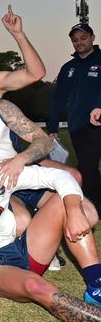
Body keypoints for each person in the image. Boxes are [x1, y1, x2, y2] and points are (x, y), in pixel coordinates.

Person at [0, 123, 101, 320]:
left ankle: (96, 285)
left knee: (63, 201)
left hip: (22, 248)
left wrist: (73, 210)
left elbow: (60, 176)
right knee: (35, 286)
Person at [0, 60, 97, 224]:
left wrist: (19, 160)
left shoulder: (0, 107)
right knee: (20, 220)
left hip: (18, 172)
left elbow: (44, 141)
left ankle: (46, 226)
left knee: (88, 215)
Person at [48, 23, 101, 209]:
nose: (79, 42)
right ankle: (95, 202)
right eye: (75, 40)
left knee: (87, 166)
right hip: (77, 125)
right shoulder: (67, 68)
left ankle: (93, 205)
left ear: (93, 38)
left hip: (98, 123)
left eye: (83, 38)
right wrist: (52, 126)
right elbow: (58, 99)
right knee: (88, 167)